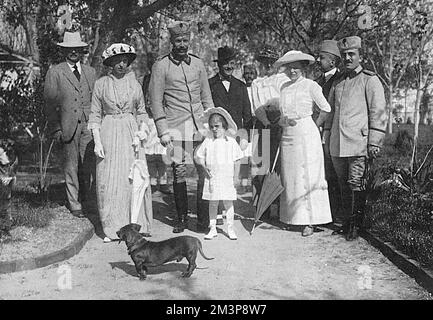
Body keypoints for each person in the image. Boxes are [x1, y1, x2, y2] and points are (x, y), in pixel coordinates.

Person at [149, 21, 214, 234]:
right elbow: (156, 101)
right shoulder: (161, 66)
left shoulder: (197, 64)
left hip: (200, 128)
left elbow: (207, 97)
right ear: (171, 42)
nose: (182, 44)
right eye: (178, 40)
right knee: (179, 172)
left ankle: (204, 219)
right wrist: (162, 130)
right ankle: (182, 218)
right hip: (176, 128)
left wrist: (213, 123)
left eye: (185, 40)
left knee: (204, 170)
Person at [324, 36, 387, 241]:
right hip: (337, 143)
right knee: (342, 184)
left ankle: (355, 224)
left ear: (361, 56)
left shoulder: (370, 80)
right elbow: (330, 112)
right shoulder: (339, 82)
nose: (348, 58)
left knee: (356, 183)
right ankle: (344, 221)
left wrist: (374, 141)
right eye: (344, 55)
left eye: (352, 54)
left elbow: (378, 112)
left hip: (359, 142)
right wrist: (327, 136)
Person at [88, 43, 152, 242]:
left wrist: (142, 130)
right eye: (117, 61)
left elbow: (141, 111)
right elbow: (95, 114)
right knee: (109, 179)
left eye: (125, 60)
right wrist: (97, 141)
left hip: (131, 133)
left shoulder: (135, 84)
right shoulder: (101, 84)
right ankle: (112, 227)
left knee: (132, 178)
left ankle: (135, 224)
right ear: (110, 63)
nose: (121, 65)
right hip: (108, 131)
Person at [271, 50, 332, 237]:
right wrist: (283, 121)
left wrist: (314, 124)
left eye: (296, 67)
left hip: (307, 134)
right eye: (289, 68)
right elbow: (282, 115)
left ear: (303, 68)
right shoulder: (284, 87)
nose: (292, 71)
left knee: (308, 175)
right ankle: (293, 218)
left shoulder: (311, 85)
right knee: (292, 176)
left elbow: (326, 108)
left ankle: (309, 222)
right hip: (289, 135)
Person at [44, 31, 97, 218]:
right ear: (64, 51)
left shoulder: (91, 72)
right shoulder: (55, 72)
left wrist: (97, 124)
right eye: (69, 49)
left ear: (82, 50)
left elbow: (96, 101)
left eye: (77, 49)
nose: (73, 52)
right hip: (67, 127)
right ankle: (75, 204)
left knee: (89, 165)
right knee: (71, 166)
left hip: (89, 126)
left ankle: (89, 201)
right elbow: (49, 105)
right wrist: (56, 128)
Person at [208, 46, 251, 222]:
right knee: (216, 171)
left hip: (234, 136)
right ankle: (216, 209)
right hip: (216, 136)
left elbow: (247, 115)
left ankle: (229, 209)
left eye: (232, 63)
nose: (229, 66)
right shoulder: (210, 85)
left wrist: (244, 136)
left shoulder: (240, 86)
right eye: (226, 63)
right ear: (219, 65)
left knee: (232, 173)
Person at [194, 107, 244, 240]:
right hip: (213, 178)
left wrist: (236, 177)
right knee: (213, 202)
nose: (214, 129)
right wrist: (205, 169)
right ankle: (213, 228)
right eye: (211, 127)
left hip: (227, 177)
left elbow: (237, 159)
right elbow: (199, 157)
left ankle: (230, 228)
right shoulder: (208, 140)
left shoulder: (231, 142)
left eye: (217, 126)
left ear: (224, 125)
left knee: (228, 203)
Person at [250, 47, 286, 218]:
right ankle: (262, 205)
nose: (268, 64)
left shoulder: (283, 80)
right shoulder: (257, 83)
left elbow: (285, 103)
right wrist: (266, 123)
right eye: (265, 61)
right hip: (263, 125)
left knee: (279, 165)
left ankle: (279, 207)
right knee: (262, 165)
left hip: (281, 124)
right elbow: (257, 106)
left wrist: (278, 121)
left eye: (272, 61)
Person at [315, 40, 343, 223]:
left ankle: (338, 214)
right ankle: (325, 213)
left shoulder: (340, 80)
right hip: (318, 130)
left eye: (322, 57)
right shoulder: (317, 82)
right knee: (322, 171)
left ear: (332, 61)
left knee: (334, 172)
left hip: (334, 131)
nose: (318, 60)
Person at [142, 53, 170, 194]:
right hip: (149, 116)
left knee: (162, 152)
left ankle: (163, 181)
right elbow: (143, 96)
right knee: (151, 153)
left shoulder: (165, 79)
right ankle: (152, 180)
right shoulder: (146, 79)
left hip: (162, 116)